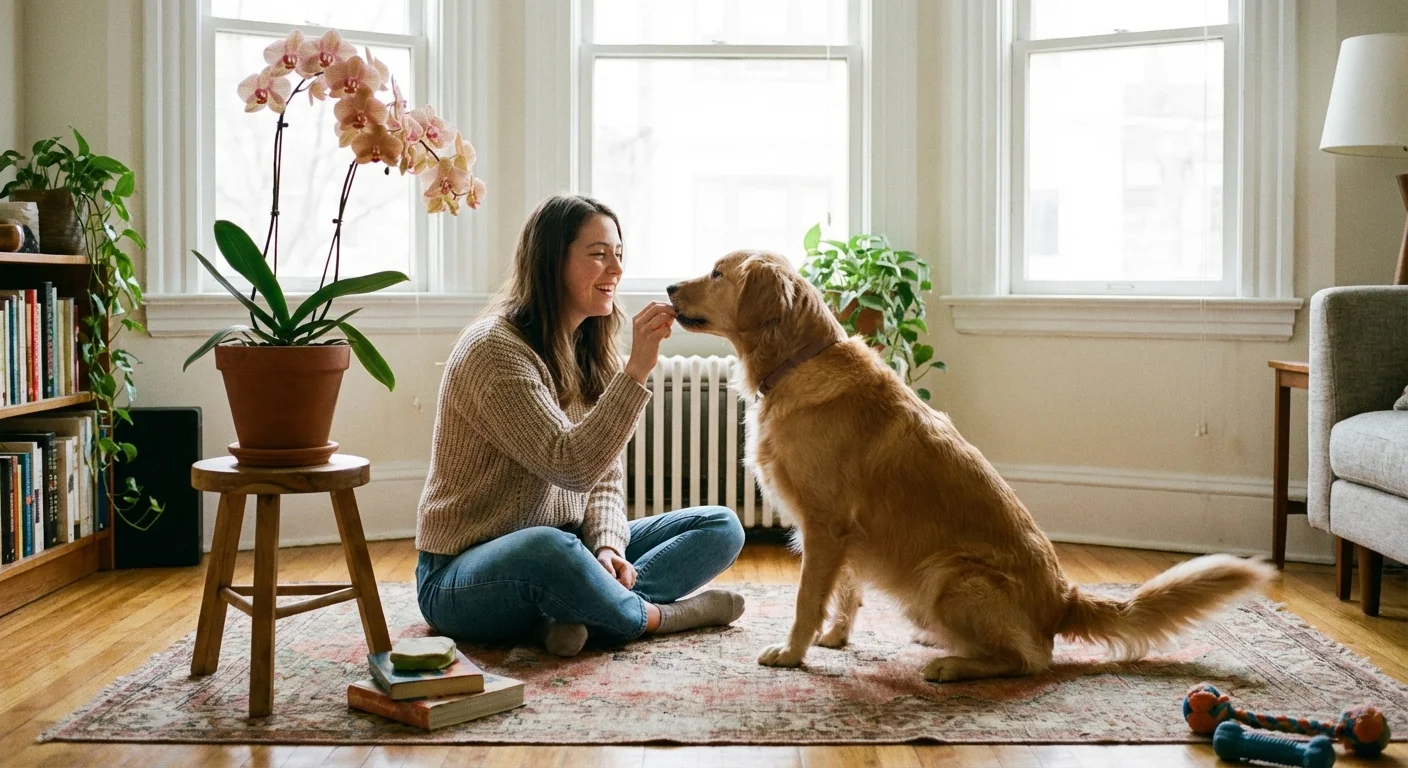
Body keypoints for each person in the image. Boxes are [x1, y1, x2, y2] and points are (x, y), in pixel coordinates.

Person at [415, 194, 747, 657]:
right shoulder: (495, 351)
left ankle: (573, 613)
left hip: (568, 549)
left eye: (618, 254)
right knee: (549, 550)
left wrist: (609, 547)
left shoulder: (587, 347)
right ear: (552, 261)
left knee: (721, 526)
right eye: (598, 254)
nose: (615, 268)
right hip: (460, 575)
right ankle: (653, 617)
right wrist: (637, 372)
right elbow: (571, 466)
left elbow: (605, 476)